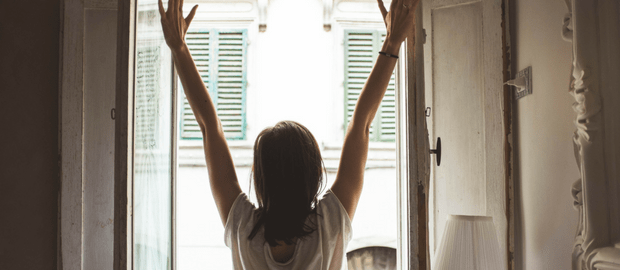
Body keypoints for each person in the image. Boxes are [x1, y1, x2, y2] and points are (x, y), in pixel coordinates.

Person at [158, 0, 418, 268]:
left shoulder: (242, 228)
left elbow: (209, 127)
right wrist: (391, 42)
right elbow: (361, 123)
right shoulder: (330, 225)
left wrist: (178, 47)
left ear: (259, 178)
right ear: (316, 173)